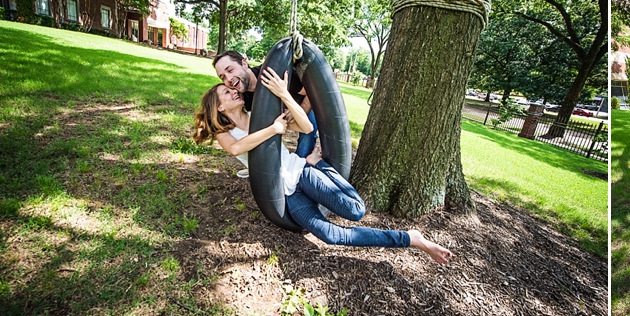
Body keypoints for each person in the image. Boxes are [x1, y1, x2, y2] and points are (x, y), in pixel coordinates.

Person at [192, 69, 453, 264]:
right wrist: (273, 129)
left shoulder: (260, 113)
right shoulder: (225, 133)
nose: (233, 90)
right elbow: (237, 149)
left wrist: (284, 98)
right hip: (286, 194)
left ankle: (320, 164)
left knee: (355, 211)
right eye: (226, 92)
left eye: (230, 88)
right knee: (330, 235)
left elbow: (305, 127)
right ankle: (411, 239)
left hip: (301, 173)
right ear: (220, 106)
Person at [212, 51, 318, 164]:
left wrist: (301, 109)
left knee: (307, 134)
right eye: (222, 77)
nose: (228, 79)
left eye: (230, 70)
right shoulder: (243, 99)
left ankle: (305, 165)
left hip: (301, 103)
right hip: (281, 112)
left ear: (244, 64)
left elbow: (312, 91)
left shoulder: (274, 74)